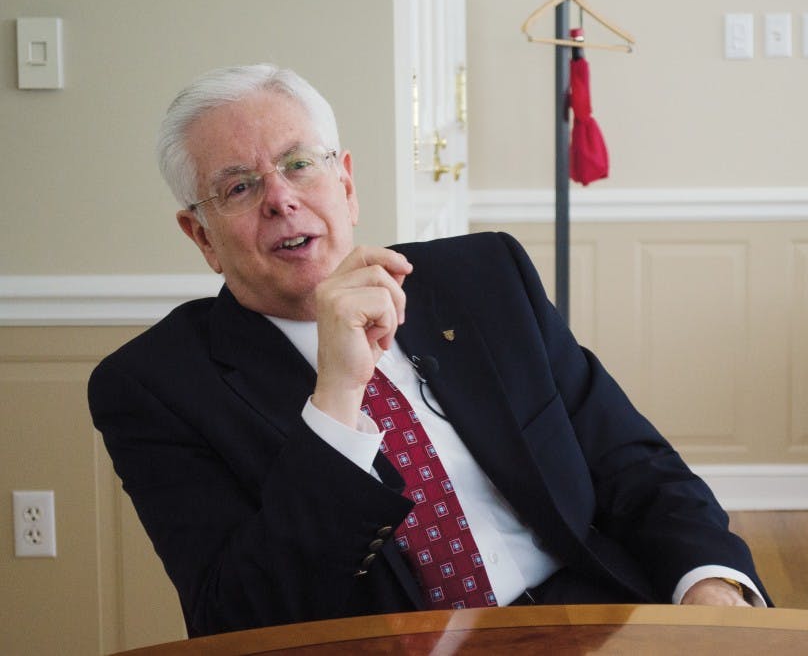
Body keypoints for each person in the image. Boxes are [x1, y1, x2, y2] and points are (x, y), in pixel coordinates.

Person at [88, 64, 770, 638]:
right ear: (201, 236)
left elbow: (631, 463)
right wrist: (336, 400)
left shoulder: (483, 277)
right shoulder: (154, 387)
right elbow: (241, 619)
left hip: (588, 621)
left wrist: (708, 586)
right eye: (240, 187)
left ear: (346, 184)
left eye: (301, 165)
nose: (283, 200)